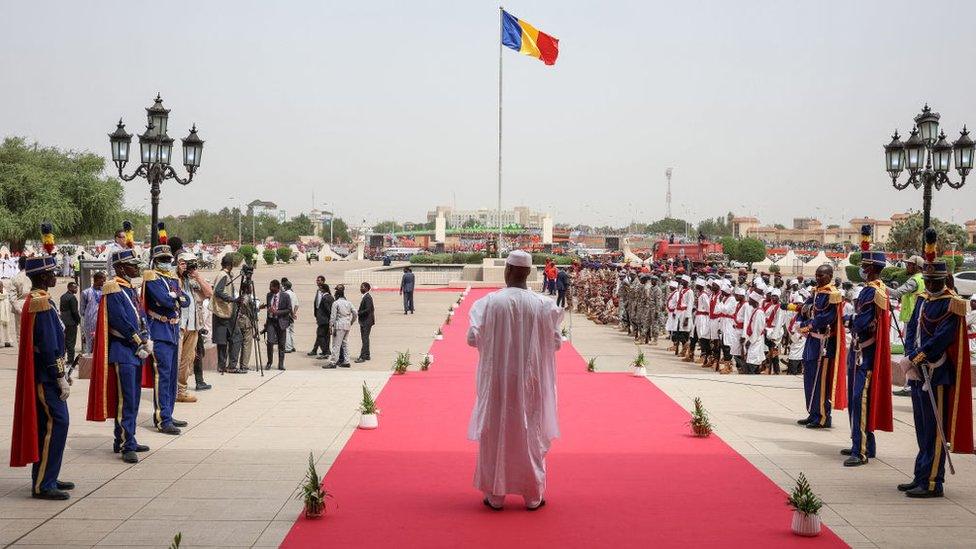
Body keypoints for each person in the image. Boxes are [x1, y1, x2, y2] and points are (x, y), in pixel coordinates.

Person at [466, 250, 563, 511]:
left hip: (498, 382)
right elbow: (556, 343)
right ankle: (533, 496)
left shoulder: (488, 303)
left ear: (507, 270)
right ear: (528, 273)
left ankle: (495, 496)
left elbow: (472, 339)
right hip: (531, 383)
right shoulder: (543, 305)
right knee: (530, 433)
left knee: (497, 431)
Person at [901, 258, 973, 498]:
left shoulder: (951, 304)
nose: (931, 285)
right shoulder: (922, 299)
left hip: (937, 373)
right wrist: (911, 354)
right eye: (928, 281)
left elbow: (943, 337)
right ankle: (920, 475)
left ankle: (933, 481)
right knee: (922, 429)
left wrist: (918, 357)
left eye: (935, 281)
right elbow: (912, 329)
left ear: (945, 280)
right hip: (918, 372)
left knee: (934, 430)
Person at [9, 254, 73, 499]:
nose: (55, 275)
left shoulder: (42, 300)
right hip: (45, 378)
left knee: (51, 426)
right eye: (52, 272)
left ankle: (49, 475)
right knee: (57, 423)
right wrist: (59, 376)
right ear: (43, 276)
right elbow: (47, 345)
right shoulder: (40, 302)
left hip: (46, 375)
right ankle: (44, 484)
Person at [87, 249, 152, 463]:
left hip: (134, 351)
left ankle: (125, 438)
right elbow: (120, 321)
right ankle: (126, 444)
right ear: (121, 267)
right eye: (132, 264)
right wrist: (137, 341)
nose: (136, 267)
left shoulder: (129, 288)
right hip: (124, 350)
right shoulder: (113, 288)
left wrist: (146, 337)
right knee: (126, 400)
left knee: (131, 400)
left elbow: (140, 315)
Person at [842, 246, 893, 467]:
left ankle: (860, 451)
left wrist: (848, 321)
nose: (861, 269)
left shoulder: (872, 291)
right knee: (858, 401)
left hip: (866, 354)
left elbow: (861, 322)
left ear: (871, 268)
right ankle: (862, 443)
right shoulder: (873, 289)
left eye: (863, 266)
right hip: (860, 350)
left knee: (859, 400)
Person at [143, 245, 190, 434]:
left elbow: (185, 300)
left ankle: (168, 413)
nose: (166, 262)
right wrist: (175, 298)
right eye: (162, 259)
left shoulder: (171, 279)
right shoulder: (151, 277)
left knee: (171, 376)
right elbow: (164, 300)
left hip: (172, 329)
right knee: (162, 376)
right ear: (155, 261)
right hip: (159, 330)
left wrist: (176, 297)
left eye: (168, 259)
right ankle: (163, 419)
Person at [795, 264, 847, 429]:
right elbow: (804, 309)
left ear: (830, 276)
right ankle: (813, 412)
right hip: (812, 340)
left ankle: (823, 416)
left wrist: (806, 325)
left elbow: (826, 318)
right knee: (810, 378)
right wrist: (802, 321)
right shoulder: (816, 292)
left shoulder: (833, 295)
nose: (818, 278)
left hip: (824, 343)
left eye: (822, 276)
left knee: (821, 380)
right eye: (817, 275)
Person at [177, 252, 213, 402]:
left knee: (187, 359)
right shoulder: (174, 280)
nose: (188, 267)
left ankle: (181, 390)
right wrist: (179, 271)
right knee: (176, 359)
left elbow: (209, 292)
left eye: (191, 264)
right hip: (178, 326)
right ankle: (172, 390)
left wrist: (196, 275)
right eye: (185, 263)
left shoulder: (193, 282)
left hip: (193, 326)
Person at [889, 255, 925, 397]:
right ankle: (912, 383)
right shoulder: (923, 279)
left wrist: (878, 285)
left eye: (910, 264)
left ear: (917, 266)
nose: (907, 266)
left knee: (910, 351)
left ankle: (910, 384)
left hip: (912, 319)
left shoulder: (915, 279)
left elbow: (897, 292)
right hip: (918, 319)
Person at [211, 255, 238, 373]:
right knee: (236, 337)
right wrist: (232, 300)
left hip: (221, 312)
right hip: (225, 312)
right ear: (230, 265)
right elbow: (218, 292)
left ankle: (222, 365)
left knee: (222, 340)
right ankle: (231, 366)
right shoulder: (224, 276)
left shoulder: (222, 275)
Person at [261, 279, 291, 370]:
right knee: (270, 342)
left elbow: (288, 309)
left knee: (281, 344)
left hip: (281, 322)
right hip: (271, 322)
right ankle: (269, 362)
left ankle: (281, 364)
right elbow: (268, 308)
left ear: (277, 287)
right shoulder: (269, 295)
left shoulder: (285, 296)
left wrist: (277, 312)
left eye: (271, 287)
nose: (270, 288)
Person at [327, 284, 355, 368]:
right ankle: (346, 361)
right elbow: (355, 313)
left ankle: (333, 362)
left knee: (336, 344)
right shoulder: (348, 303)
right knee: (345, 344)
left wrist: (330, 326)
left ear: (337, 295)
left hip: (339, 325)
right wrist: (351, 321)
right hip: (347, 324)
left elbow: (333, 316)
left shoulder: (336, 303)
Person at [80, 272, 105, 353]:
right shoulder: (86, 292)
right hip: (90, 323)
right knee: (90, 345)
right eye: (103, 279)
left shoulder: (105, 292)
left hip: (102, 322)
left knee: (102, 343)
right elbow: (82, 310)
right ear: (97, 280)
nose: (104, 281)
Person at [309, 277, 333, 358]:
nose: (317, 281)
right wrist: (316, 314)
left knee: (321, 334)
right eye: (317, 280)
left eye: (319, 280)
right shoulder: (318, 291)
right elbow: (316, 304)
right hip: (319, 315)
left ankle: (324, 350)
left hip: (324, 317)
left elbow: (328, 309)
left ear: (323, 281)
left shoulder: (326, 295)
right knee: (321, 334)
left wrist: (330, 319)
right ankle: (322, 350)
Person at [58, 281, 81, 364]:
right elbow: (74, 311)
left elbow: (61, 309)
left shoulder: (63, 296)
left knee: (64, 341)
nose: (76, 289)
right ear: (69, 288)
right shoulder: (72, 298)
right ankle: (70, 360)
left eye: (76, 288)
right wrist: (78, 320)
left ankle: (62, 357)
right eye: (74, 288)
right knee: (71, 342)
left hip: (63, 321)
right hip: (71, 322)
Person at [356, 282, 375, 363]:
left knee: (365, 339)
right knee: (365, 338)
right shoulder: (365, 297)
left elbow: (368, 309)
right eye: (361, 287)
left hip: (366, 321)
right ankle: (367, 355)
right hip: (366, 321)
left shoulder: (367, 297)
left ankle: (362, 356)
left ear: (367, 288)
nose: (361, 288)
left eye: (362, 287)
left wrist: (358, 313)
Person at [281, 278, 298, 353]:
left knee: (287, 331)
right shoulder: (293, 293)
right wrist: (294, 313)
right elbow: (297, 305)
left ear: (285, 286)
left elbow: (288, 306)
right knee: (292, 331)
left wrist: (291, 313)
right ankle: (292, 346)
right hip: (292, 314)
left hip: (287, 314)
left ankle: (288, 347)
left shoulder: (286, 294)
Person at [0, 274, 15, 347]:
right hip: (1, 312)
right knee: (1, 327)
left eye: (2, 286)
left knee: (7, 326)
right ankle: (1, 342)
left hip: (5, 312)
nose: (1, 288)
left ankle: (7, 341)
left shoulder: (5, 292)